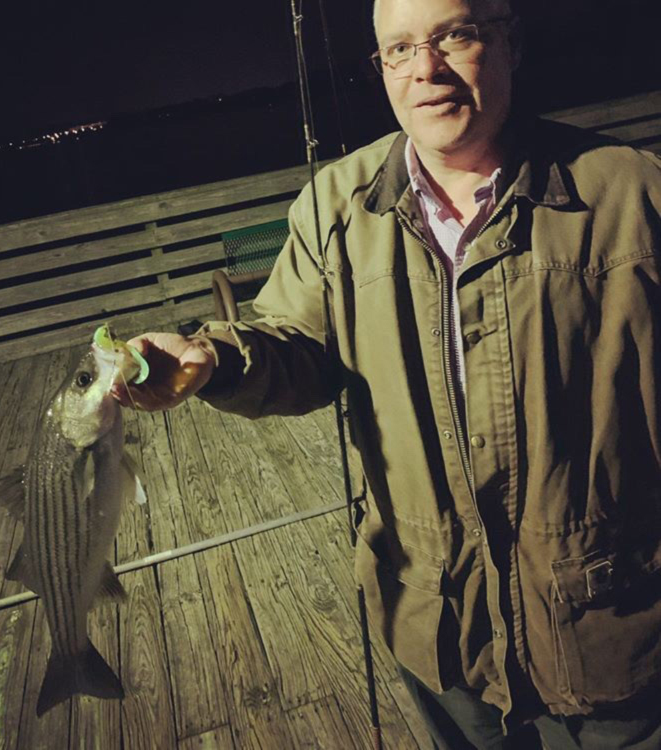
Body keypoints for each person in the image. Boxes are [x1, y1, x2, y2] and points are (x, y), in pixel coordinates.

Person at [113, 0, 661, 747]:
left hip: (616, 630)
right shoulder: (337, 205)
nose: (425, 69)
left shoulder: (629, 192)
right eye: (398, 50)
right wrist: (218, 359)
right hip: (438, 626)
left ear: (509, 43)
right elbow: (295, 342)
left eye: (455, 35)